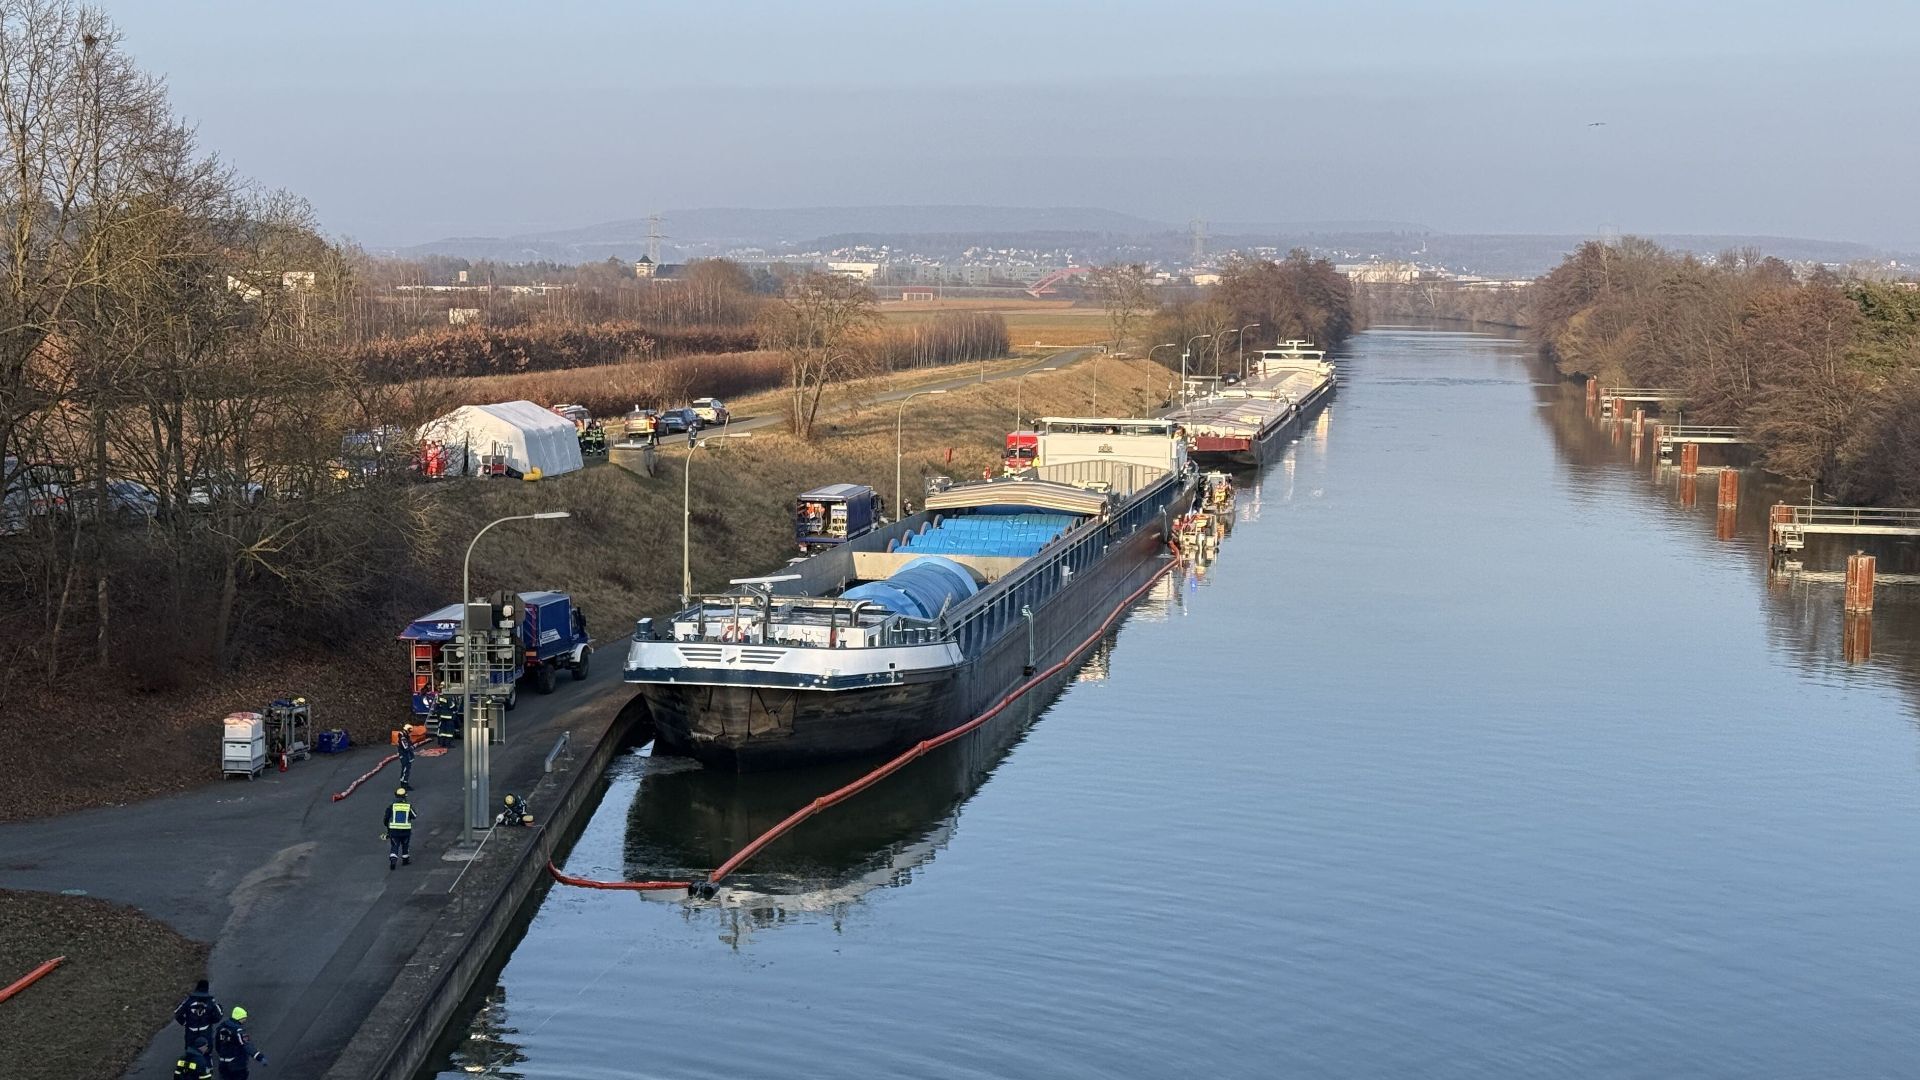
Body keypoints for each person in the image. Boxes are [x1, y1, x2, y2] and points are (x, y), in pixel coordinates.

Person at [212, 1005, 268, 1079]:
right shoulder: (238, 1031)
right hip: (236, 1066)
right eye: (244, 1018)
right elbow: (247, 1045)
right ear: (239, 1018)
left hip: (223, 1064)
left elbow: (217, 1045)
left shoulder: (222, 1027)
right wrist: (259, 1057)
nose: (245, 1020)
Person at [174, 978, 223, 1051]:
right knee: (206, 1053)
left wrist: (184, 1022)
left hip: (191, 1031)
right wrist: (211, 1021)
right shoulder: (210, 1001)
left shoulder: (189, 1000)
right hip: (205, 1031)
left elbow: (177, 1012)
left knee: (190, 1052)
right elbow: (218, 1014)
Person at [385, 786, 414, 870]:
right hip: (405, 831)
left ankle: (393, 860)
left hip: (394, 831)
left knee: (394, 845)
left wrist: (387, 826)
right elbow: (414, 815)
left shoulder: (392, 806)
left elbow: (386, 818)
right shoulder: (408, 806)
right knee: (405, 845)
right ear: (405, 796)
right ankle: (405, 860)